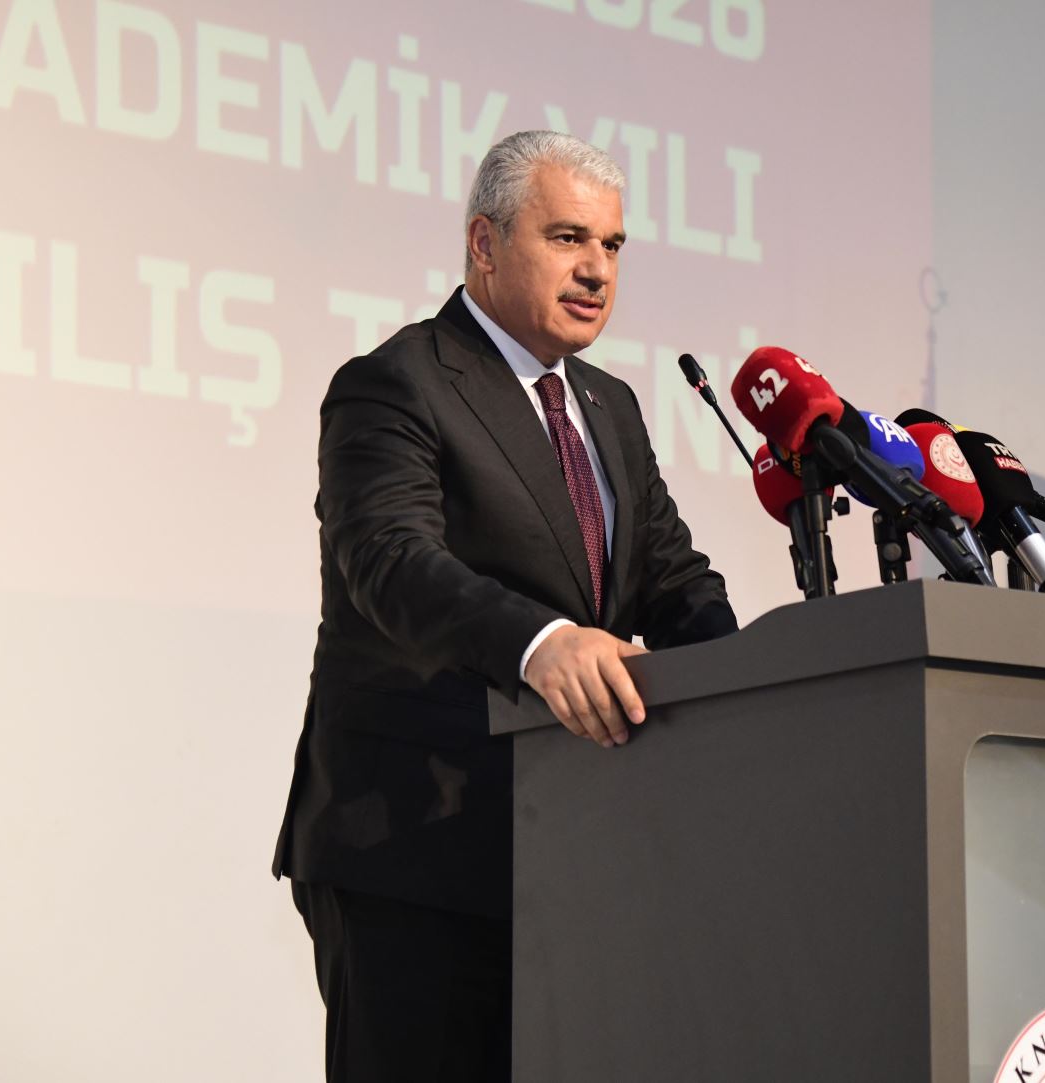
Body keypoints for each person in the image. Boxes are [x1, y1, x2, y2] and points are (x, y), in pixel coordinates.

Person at [271, 130, 736, 1081]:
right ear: (484, 243)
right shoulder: (396, 382)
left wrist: (771, 683)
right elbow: (390, 561)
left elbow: (673, 581)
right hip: (414, 850)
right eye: (568, 238)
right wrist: (542, 642)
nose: (596, 270)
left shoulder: (609, 406)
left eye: (612, 245)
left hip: (574, 848)